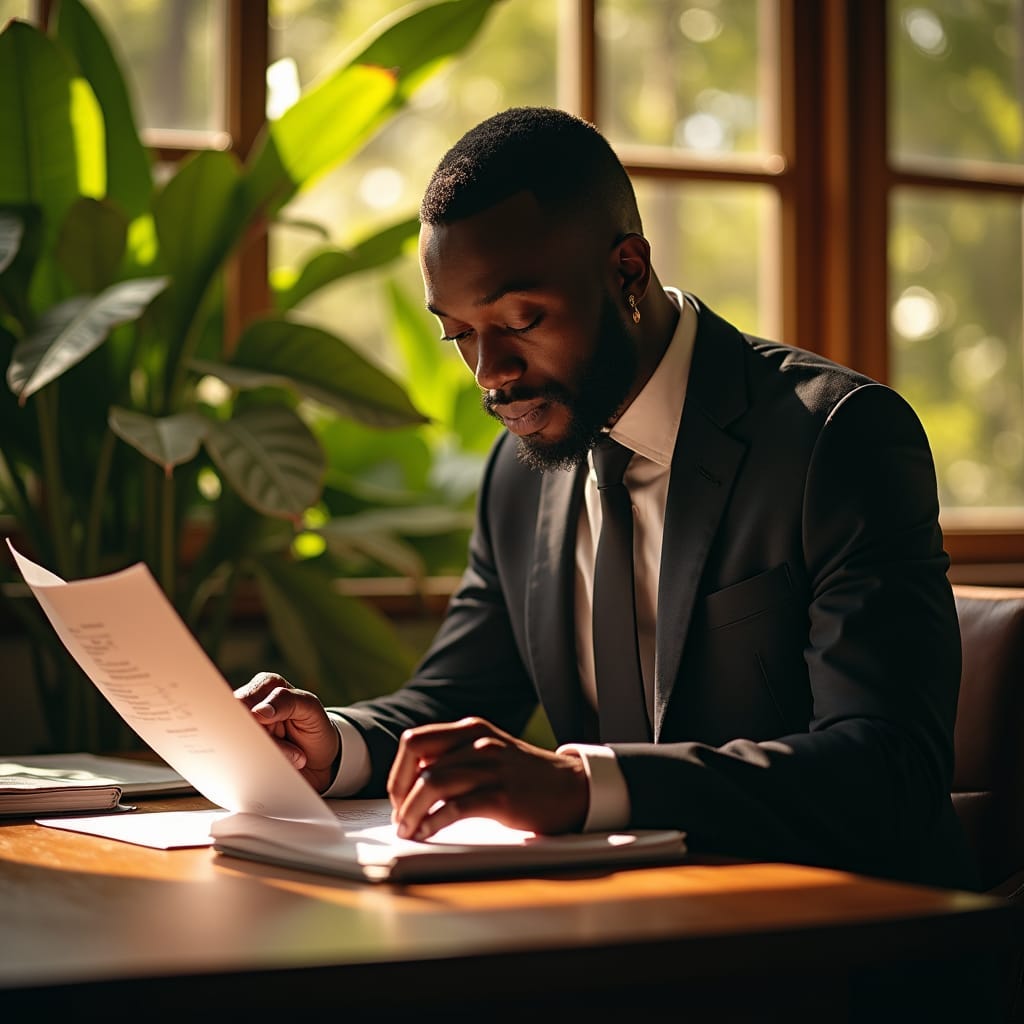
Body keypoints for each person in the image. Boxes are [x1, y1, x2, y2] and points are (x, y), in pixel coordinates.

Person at [237, 105, 976, 893]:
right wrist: (337, 742)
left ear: (627, 272)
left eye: (521, 320)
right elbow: (454, 697)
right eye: (460, 334)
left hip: (839, 947)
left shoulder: (836, 438)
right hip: (619, 928)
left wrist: (586, 787)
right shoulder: (519, 475)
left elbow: (889, 767)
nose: (490, 372)